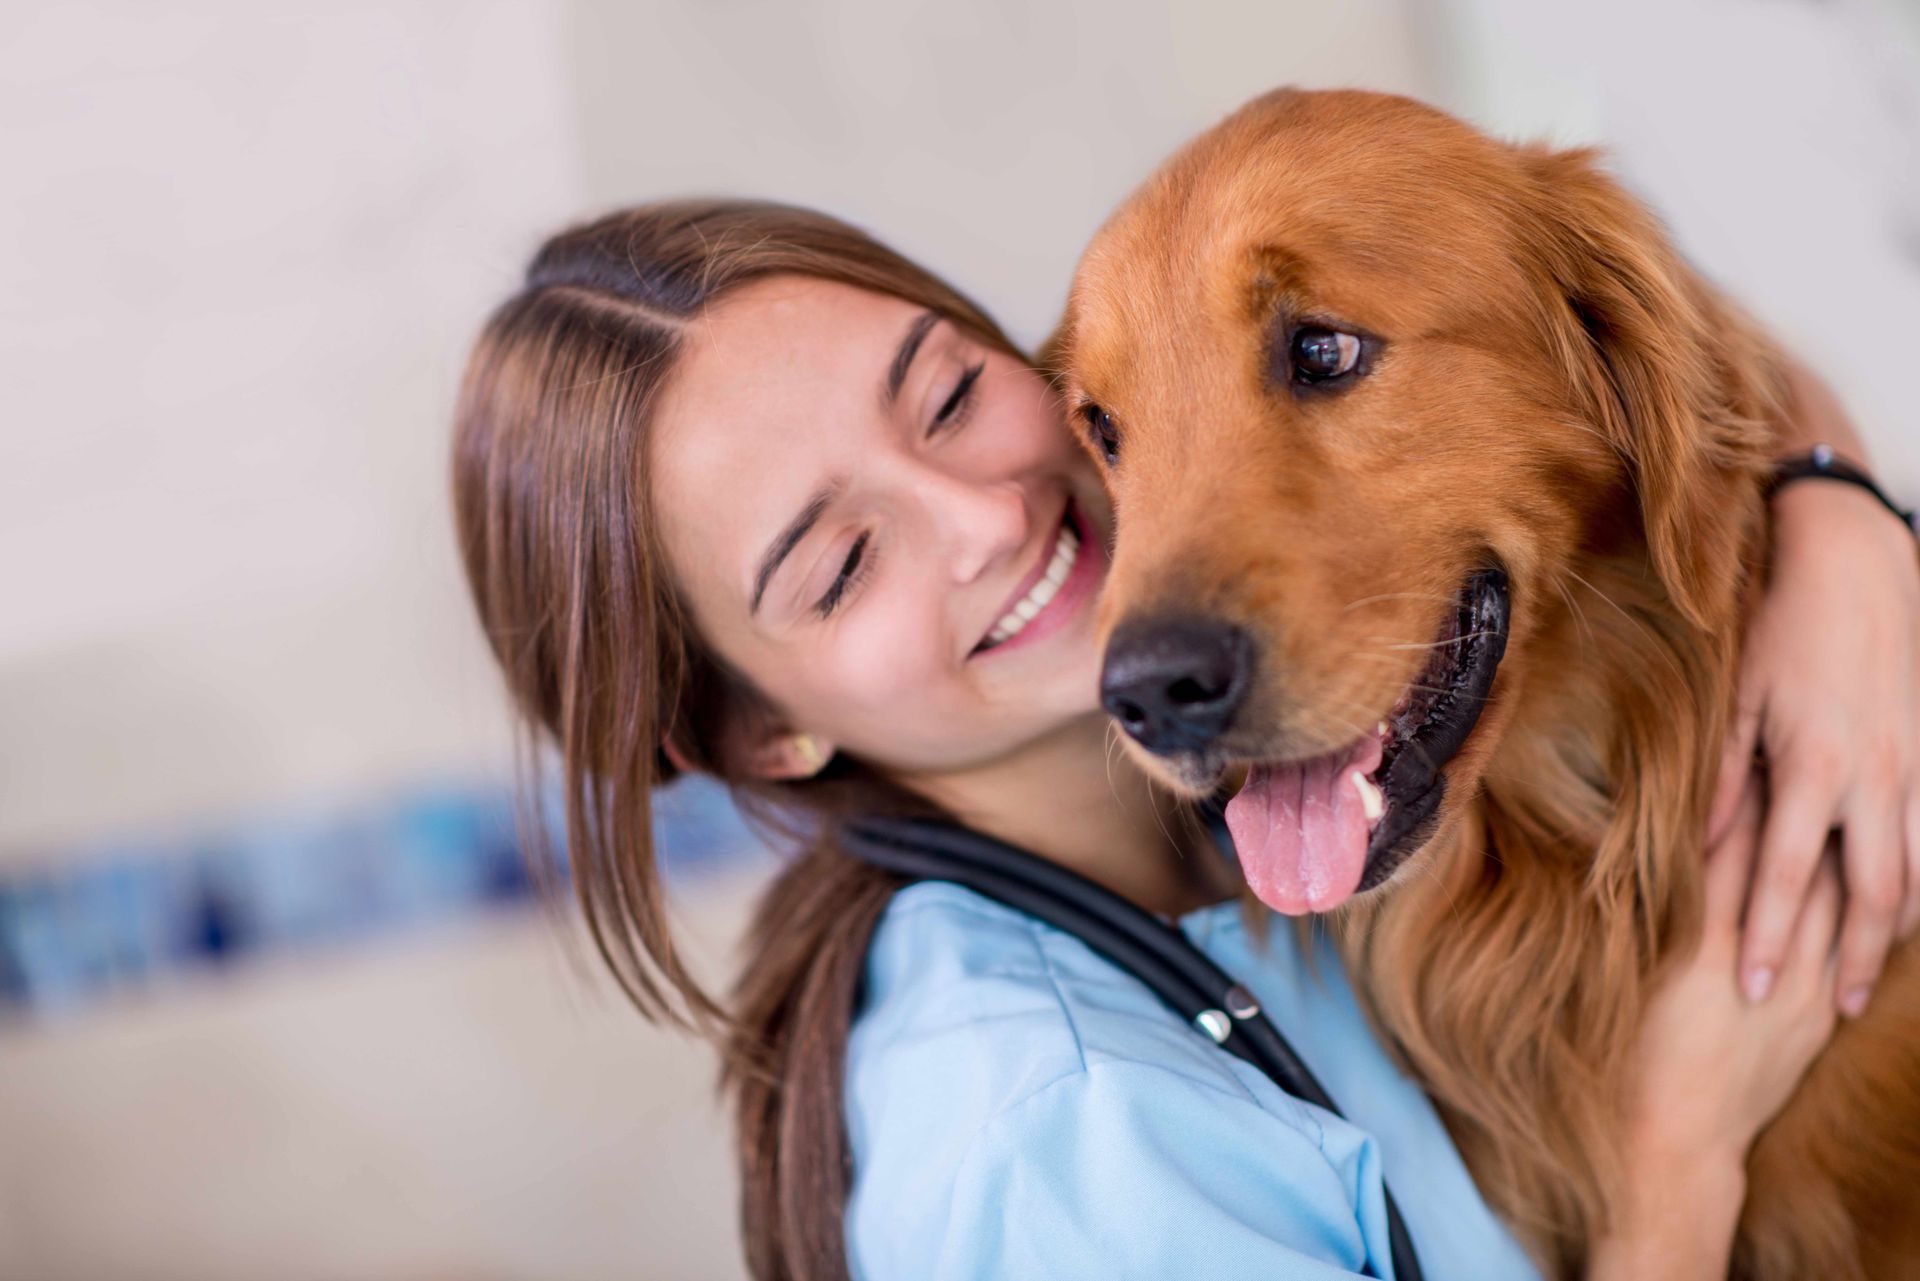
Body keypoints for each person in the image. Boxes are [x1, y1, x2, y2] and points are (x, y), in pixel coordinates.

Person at [448, 200, 1920, 1279]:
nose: (986, 518)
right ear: (763, 732)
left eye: (952, 396)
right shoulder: (1050, 1148)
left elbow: (1566, 294)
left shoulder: (1272, 781)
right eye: (839, 567)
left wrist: (1834, 508)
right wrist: (1681, 1158)